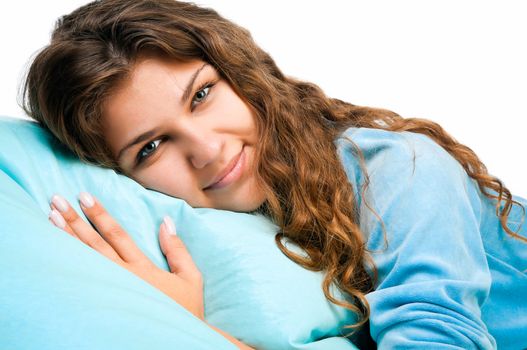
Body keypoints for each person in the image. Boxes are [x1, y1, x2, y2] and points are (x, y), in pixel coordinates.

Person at [22, 0, 526, 348]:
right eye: (151, 147)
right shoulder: (234, 224)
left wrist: (193, 334)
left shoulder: (400, 172)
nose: (207, 149)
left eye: (202, 95)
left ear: (244, 75)